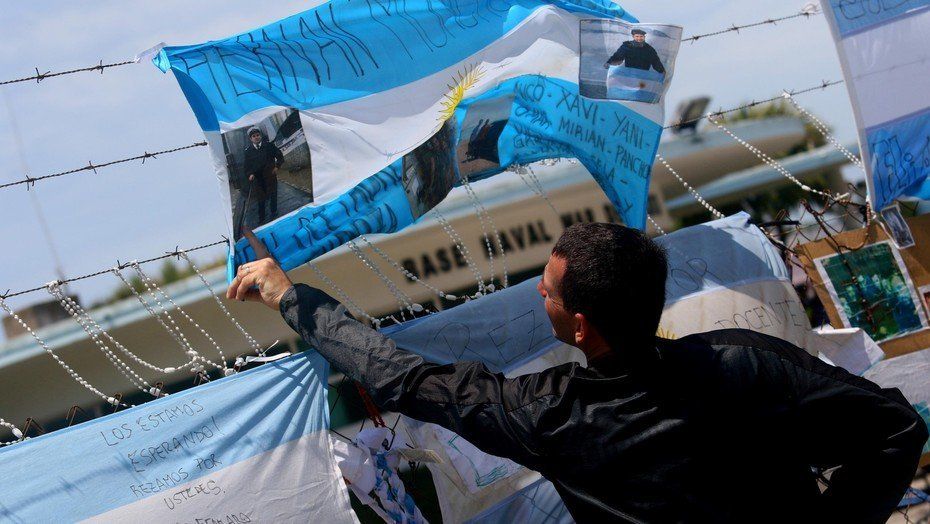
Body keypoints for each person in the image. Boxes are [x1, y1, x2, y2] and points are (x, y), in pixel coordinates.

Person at [228, 223, 927, 523]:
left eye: (550, 291)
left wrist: (292, 298)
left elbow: (403, 379)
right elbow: (896, 429)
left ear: (582, 327)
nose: (538, 291)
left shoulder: (552, 415)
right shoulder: (743, 363)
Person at [242, 127, 284, 224]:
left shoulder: (269, 146)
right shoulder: (248, 151)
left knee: (273, 195)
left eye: (257, 135)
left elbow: (280, 156)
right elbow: (247, 166)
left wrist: (277, 166)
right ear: (250, 139)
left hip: (270, 176)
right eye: (254, 136)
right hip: (258, 180)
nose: (256, 137)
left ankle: (274, 213)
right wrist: (250, 174)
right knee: (261, 200)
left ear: (260, 136)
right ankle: (262, 219)